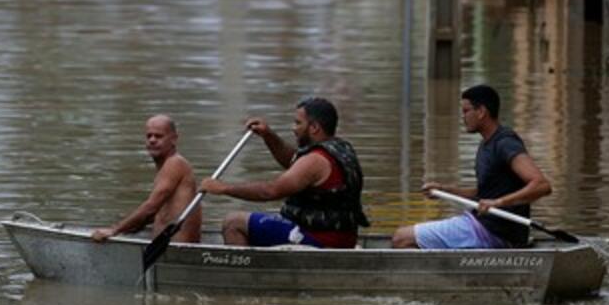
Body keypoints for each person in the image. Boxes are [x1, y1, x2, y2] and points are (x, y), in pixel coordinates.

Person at [392, 84, 551, 249]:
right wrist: (444, 190)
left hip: (493, 232)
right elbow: (484, 193)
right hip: (480, 224)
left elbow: (541, 185)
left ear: (481, 112)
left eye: (466, 111)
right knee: (405, 237)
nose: (463, 117)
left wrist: (499, 202)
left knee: (401, 238)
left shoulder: (505, 143)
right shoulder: (486, 144)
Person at [199, 97, 369, 248]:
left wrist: (223, 188)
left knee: (233, 222)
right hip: (338, 237)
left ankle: (248, 280)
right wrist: (268, 135)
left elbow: (270, 191)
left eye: (298, 123)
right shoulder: (339, 149)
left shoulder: (315, 161)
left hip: (320, 240)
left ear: (314, 127)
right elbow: (293, 162)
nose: (293, 128)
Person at [91, 114, 201, 244]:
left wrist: (114, 230)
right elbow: (155, 214)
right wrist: (131, 227)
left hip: (175, 251)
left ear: (174, 139)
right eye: (149, 136)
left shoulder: (175, 164)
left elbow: (151, 207)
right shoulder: (166, 167)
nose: (152, 140)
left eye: (158, 136)